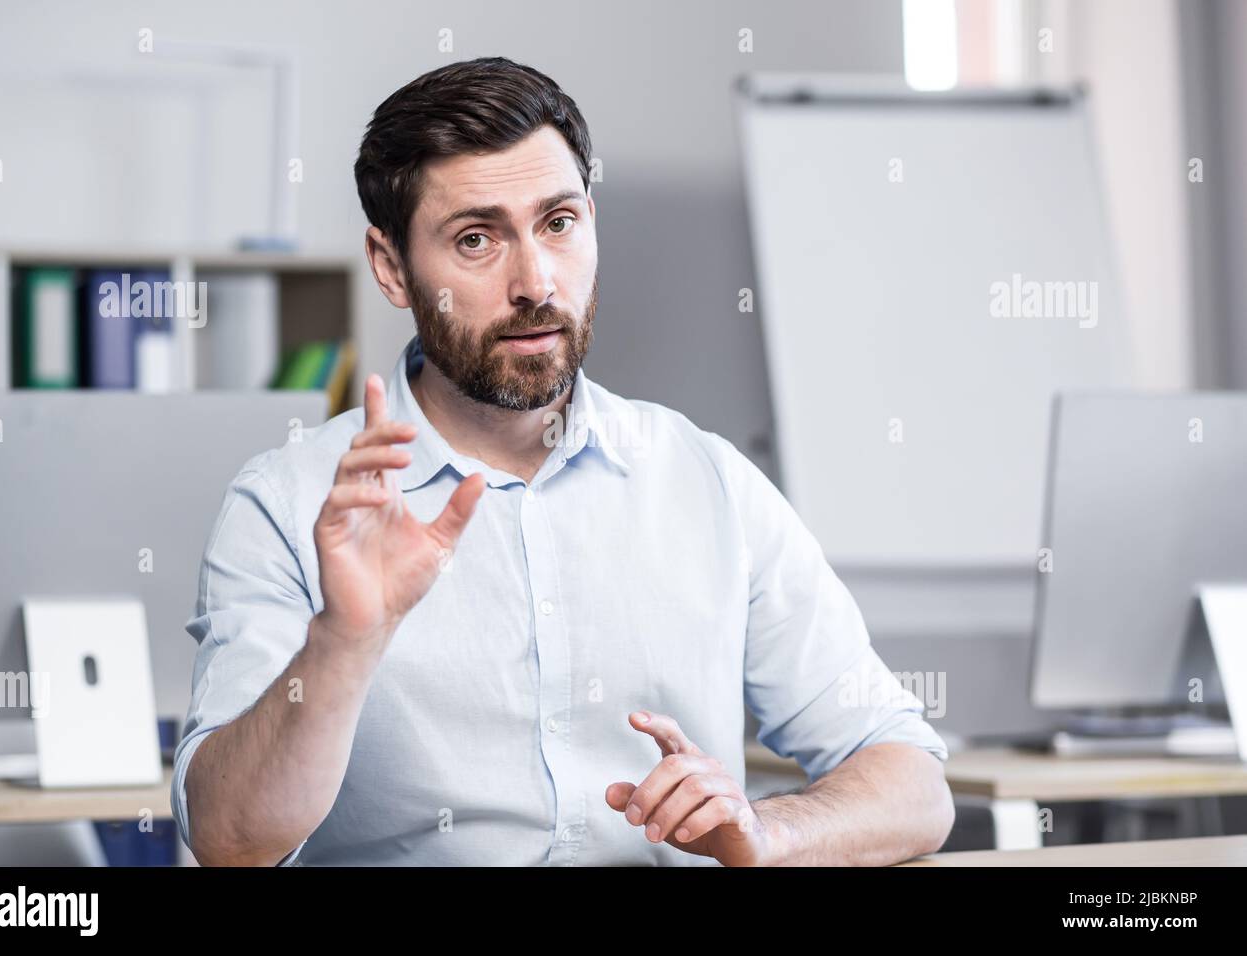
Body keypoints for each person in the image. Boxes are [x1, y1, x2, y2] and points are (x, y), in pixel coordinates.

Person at [172, 56, 954, 866]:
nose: (535, 282)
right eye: (476, 239)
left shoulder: (707, 481)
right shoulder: (288, 503)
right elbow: (231, 839)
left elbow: (910, 781)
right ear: (392, 267)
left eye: (558, 223)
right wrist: (343, 639)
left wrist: (772, 830)